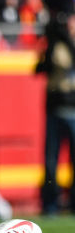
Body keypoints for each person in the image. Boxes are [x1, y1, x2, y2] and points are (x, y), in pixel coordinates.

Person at [35, 12, 75, 216]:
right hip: (56, 108)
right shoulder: (55, 45)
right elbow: (41, 67)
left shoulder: (67, 44)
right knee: (51, 161)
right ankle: (50, 203)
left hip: (72, 107)